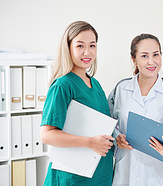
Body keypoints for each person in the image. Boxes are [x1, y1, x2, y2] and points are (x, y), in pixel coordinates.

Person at [109, 33, 163, 186]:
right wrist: (117, 138)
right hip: (126, 173)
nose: (151, 61)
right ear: (134, 59)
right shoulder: (120, 90)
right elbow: (109, 125)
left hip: (160, 176)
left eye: (156, 55)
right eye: (144, 56)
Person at [40, 21, 114, 186]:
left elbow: (99, 128)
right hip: (72, 177)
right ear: (68, 48)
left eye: (92, 46)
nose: (87, 52)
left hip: (99, 175)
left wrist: (117, 138)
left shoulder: (95, 84)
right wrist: (89, 142)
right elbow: (46, 134)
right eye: (80, 46)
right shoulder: (63, 85)